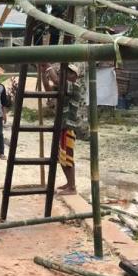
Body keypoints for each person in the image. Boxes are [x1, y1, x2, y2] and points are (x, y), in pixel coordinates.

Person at [43, 64, 87, 195]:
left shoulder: (75, 86)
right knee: (61, 156)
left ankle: (72, 187)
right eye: (65, 72)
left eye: (70, 72)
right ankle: (69, 183)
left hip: (68, 126)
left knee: (68, 156)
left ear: (75, 76)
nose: (66, 74)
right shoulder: (64, 87)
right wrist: (43, 73)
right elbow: (48, 89)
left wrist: (48, 67)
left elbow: (56, 81)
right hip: (61, 125)